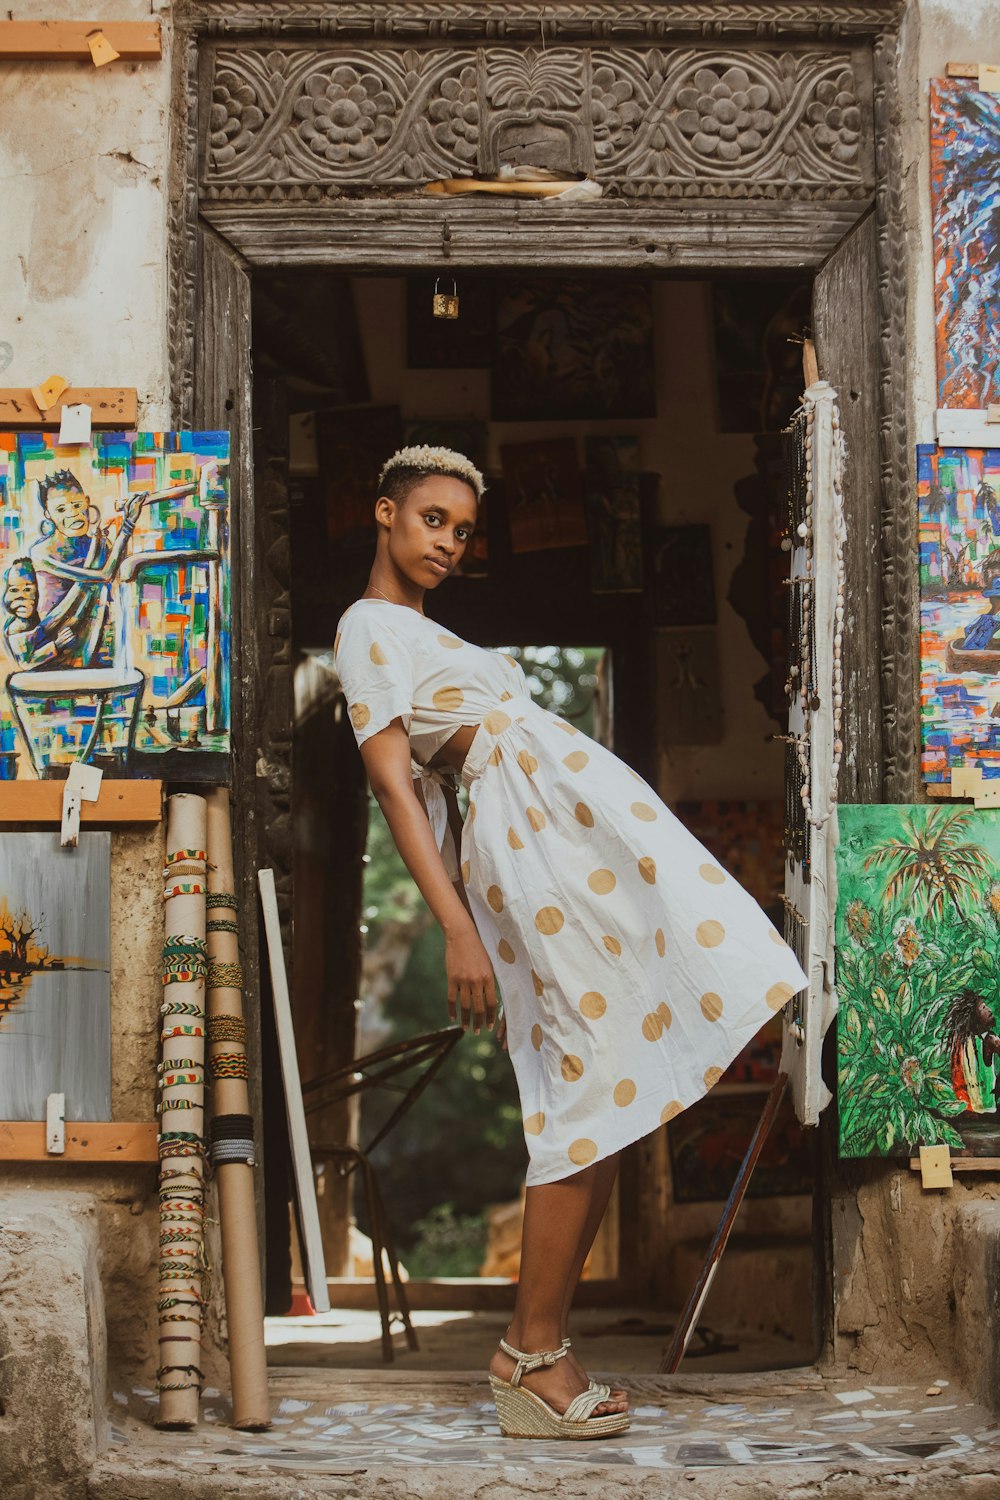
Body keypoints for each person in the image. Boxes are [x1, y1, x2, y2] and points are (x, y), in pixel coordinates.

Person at [333, 445, 809, 1440]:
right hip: (531, 843)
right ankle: (532, 1352)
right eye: (431, 520)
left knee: (615, 1068)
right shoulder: (368, 628)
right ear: (384, 514)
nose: (449, 543)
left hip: (559, 825)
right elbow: (394, 789)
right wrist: (455, 924)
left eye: (462, 530)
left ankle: (536, 1352)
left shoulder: (419, 630)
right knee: (590, 1079)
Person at [25, 469, 151, 671]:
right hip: (56, 647)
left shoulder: (100, 544)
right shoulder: (41, 553)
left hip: (98, 646)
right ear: (48, 515)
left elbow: (118, 586)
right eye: (61, 510)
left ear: (87, 502)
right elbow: (103, 575)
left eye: (77, 505)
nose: (72, 514)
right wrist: (128, 524)